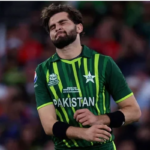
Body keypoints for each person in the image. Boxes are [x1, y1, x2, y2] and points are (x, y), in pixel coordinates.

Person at [34, 3, 141, 150]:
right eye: (52, 27)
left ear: (79, 27)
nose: (57, 28)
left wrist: (100, 119)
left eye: (62, 22)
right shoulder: (43, 71)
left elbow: (134, 111)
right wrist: (84, 133)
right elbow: (48, 125)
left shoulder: (104, 63)